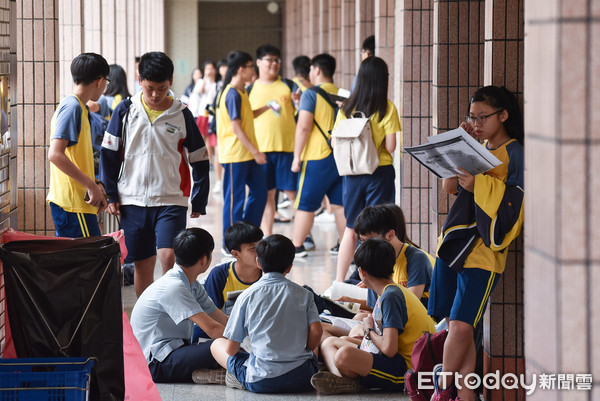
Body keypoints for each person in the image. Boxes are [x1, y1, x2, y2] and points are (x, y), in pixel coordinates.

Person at [428, 86, 524, 401]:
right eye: (472, 117)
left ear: (504, 115)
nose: (477, 122)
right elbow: (449, 187)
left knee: (459, 325)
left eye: (483, 117)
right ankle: (467, 396)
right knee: (461, 326)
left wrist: (480, 183)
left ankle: (442, 391)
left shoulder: (514, 152)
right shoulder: (479, 146)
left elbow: (516, 202)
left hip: (482, 253)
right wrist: (462, 142)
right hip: (456, 244)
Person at [100, 51, 210, 297]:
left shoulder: (182, 114)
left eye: (161, 88)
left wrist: (199, 198)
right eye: (149, 88)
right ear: (140, 80)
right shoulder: (125, 110)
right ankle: (147, 324)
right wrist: (111, 195)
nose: (155, 95)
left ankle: (170, 316)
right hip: (132, 199)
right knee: (142, 266)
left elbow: (200, 159)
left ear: (170, 81)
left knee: (168, 257)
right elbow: (108, 154)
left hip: (171, 197)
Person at [312, 239, 436, 395]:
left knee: (343, 355)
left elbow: (389, 350)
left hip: (408, 368)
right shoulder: (389, 291)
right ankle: (346, 379)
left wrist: (369, 330)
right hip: (395, 356)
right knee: (330, 342)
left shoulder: (391, 297)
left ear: (363, 272)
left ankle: (349, 379)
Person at [210, 234, 322, 393]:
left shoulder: (246, 296)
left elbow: (231, 350)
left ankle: (236, 377)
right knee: (310, 350)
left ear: (258, 263)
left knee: (216, 345)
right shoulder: (304, 294)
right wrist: (307, 349)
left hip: (261, 380)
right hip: (303, 378)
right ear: (290, 266)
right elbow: (317, 332)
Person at [130, 228, 229, 383]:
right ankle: (237, 373)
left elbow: (219, 317)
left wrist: (251, 333)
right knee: (219, 346)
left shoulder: (191, 284)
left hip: (172, 351)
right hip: (154, 364)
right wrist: (243, 342)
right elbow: (213, 328)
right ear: (204, 259)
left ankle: (202, 373)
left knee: (226, 347)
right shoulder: (174, 286)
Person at [334, 57, 401, 282]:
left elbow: (335, 141)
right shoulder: (386, 107)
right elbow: (390, 147)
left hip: (352, 175)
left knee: (351, 228)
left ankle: (339, 281)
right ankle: (369, 278)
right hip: (379, 172)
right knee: (377, 231)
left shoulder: (346, 106)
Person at [47, 52, 110, 238]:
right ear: (99, 81)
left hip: (77, 204)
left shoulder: (79, 107)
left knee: (81, 263)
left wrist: (95, 184)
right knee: (85, 263)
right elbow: (55, 154)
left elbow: (75, 156)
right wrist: (90, 184)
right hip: (73, 205)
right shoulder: (72, 107)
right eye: (106, 81)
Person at [291, 53, 346, 257]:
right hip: (339, 157)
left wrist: (297, 157)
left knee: (305, 204)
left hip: (316, 157)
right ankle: (343, 244)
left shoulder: (310, 94)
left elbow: (304, 127)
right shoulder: (343, 93)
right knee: (339, 204)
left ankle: (296, 246)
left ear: (317, 70)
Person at [216, 50, 268, 252]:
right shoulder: (231, 94)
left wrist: (266, 108)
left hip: (246, 155)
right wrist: (256, 151)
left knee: (260, 192)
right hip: (235, 155)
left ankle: (246, 234)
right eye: (250, 67)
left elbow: (247, 116)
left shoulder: (242, 91)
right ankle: (229, 243)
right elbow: (236, 127)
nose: (253, 71)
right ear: (241, 69)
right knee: (234, 200)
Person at [249, 44, 298, 236]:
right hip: (262, 151)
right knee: (268, 195)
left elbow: (301, 113)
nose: (274, 64)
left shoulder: (289, 85)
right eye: (269, 60)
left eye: (277, 60)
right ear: (259, 62)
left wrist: (299, 103)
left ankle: (301, 236)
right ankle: (267, 237)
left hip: (287, 149)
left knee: (293, 193)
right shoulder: (250, 89)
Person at [354, 205, 433, 308]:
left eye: (370, 240)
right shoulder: (374, 259)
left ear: (390, 235)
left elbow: (409, 306)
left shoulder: (416, 259)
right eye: (362, 241)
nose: (365, 247)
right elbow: (375, 308)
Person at [203, 221, 263, 313]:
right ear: (236, 254)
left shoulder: (270, 272)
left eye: (262, 245)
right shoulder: (220, 275)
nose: (261, 251)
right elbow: (209, 317)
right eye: (253, 248)